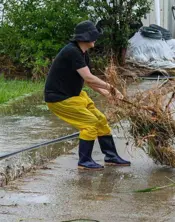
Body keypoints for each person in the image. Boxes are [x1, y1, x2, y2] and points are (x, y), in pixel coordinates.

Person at [44, 20, 130, 170]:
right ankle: (84, 161)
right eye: (94, 36)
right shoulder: (72, 52)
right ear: (86, 38)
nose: (96, 39)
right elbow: (90, 78)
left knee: (101, 120)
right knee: (90, 123)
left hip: (75, 96)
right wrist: (112, 88)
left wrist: (106, 94)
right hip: (60, 99)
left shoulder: (82, 53)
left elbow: (88, 80)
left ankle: (111, 157)